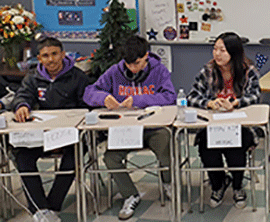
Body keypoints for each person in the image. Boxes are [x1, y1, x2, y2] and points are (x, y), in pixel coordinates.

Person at [83, 35, 175, 220]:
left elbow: (169, 96)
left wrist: (140, 100)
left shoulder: (159, 71)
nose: (132, 68)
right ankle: (130, 194)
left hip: (152, 128)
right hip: (125, 129)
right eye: (129, 64)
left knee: (165, 144)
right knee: (110, 158)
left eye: (137, 63)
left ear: (146, 56)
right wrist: (102, 98)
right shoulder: (114, 72)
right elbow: (89, 92)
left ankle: (167, 183)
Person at [10, 37, 90, 221]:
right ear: (39, 58)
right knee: (22, 156)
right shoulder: (33, 78)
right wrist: (21, 105)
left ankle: (52, 206)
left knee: (74, 156)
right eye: (45, 56)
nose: (51, 59)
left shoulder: (78, 77)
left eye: (55, 54)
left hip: (71, 134)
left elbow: (87, 106)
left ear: (63, 54)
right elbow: (22, 95)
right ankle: (40, 209)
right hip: (42, 134)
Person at [186, 32, 260, 209]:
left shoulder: (248, 71)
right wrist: (209, 103)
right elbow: (192, 96)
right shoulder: (208, 71)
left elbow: (255, 96)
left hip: (240, 126)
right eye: (215, 49)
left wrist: (236, 103)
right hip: (212, 125)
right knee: (207, 151)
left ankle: (237, 187)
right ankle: (218, 185)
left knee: (235, 150)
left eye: (222, 50)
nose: (217, 54)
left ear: (234, 53)